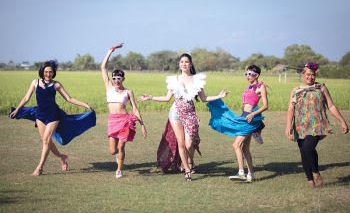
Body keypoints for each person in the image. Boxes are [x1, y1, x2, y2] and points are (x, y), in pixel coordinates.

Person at [139, 53, 229, 181]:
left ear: (190, 64)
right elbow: (166, 98)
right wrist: (150, 97)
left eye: (186, 62)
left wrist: (219, 96)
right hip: (175, 112)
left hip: (190, 113)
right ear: (179, 64)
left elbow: (204, 98)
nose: (184, 64)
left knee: (189, 143)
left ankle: (189, 161)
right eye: (182, 62)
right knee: (181, 143)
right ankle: (187, 170)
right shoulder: (174, 79)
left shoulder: (197, 79)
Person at [9, 60, 93, 176]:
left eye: (51, 72)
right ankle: (62, 157)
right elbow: (26, 98)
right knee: (48, 142)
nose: (48, 74)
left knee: (46, 141)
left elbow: (69, 98)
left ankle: (40, 167)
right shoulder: (35, 82)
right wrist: (17, 110)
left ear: (53, 73)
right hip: (40, 115)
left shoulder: (56, 84)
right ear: (42, 72)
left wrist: (85, 105)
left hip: (53, 115)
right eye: (46, 72)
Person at [285, 62, 349, 188]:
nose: (310, 77)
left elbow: (331, 106)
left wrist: (343, 121)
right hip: (300, 125)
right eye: (308, 74)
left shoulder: (321, 88)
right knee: (303, 151)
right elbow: (290, 109)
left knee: (308, 148)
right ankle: (310, 181)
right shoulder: (296, 90)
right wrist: (288, 126)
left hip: (317, 124)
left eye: (313, 75)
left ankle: (316, 172)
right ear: (303, 74)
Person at [207, 65, 268, 182]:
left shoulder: (260, 87)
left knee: (236, 145)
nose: (248, 76)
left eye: (251, 74)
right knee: (245, 148)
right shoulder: (248, 87)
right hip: (244, 117)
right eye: (246, 74)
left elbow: (265, 106)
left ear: (257, 75)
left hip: (250, 120)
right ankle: (251, 175)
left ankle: (241, 173)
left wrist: (253, 114)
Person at [101, 43, 147, 178]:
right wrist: (110, 51)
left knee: (121, 147)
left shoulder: (128, 92)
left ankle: (119, 170)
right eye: (114, 78)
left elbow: (135, 108)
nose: (116, 80)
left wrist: (142, 125)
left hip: (124, 121)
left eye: (119, 78)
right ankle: (118, 159)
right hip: (112, 120)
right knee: (112, 151)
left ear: (123, 79)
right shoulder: (108, 86)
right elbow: (103, 67)